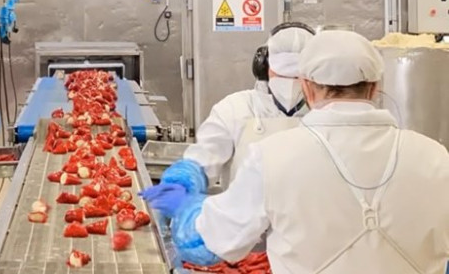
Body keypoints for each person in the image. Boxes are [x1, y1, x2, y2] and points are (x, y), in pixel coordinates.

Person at [143, 30, 449, 273]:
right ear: (374, 87)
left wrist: (187, 209)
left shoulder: (272, 158)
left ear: (307, 86)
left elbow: (202, 244)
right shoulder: (436, 157)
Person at [157, 22, 315, 201]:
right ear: (264, 67)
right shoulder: (235, 109)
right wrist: (183, 183)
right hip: (246, 217)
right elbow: (203, 159)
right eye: (282, 74)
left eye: (298, 76)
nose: (291, 82)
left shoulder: (328, 114)